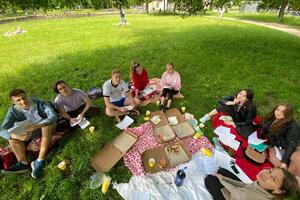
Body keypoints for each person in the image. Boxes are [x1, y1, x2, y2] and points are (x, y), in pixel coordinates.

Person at [0, 89, 58, 179]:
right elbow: (2, 130)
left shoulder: (39, 103)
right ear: (13, 102)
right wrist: (15, 136)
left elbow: (53, 116)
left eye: (23, 98)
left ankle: (39, 160)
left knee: (46, 126)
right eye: (18, 100)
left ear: (26, 95)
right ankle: (23, 164)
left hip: (46, 126)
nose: (22, 101)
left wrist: (38, 125)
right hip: (30, 132)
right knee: (11, 138)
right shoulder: (13, 110)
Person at [205, 167, 298, 200]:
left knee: (209, 179)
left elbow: (235, 191)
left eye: (273, 179)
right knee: (222, 171)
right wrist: (224, 178)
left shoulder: (252, 196)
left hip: (236, 196)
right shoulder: (264, 187)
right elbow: (245, 185)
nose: (266, 174)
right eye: (270, 171)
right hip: (243, 192)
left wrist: (222, 180)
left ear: (278, 191)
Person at [261, 103, 300, 179]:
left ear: (287, 114)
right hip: (279, 146)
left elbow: (291, 144)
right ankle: (283, 177)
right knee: (274, 161)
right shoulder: (273, 117)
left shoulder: (293, 127)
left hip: (294, 147)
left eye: (282, 112)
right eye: (278, 110)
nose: (278, 113)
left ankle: (292, 180)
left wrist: (284, 162)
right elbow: (266, 128)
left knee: (295, 161)